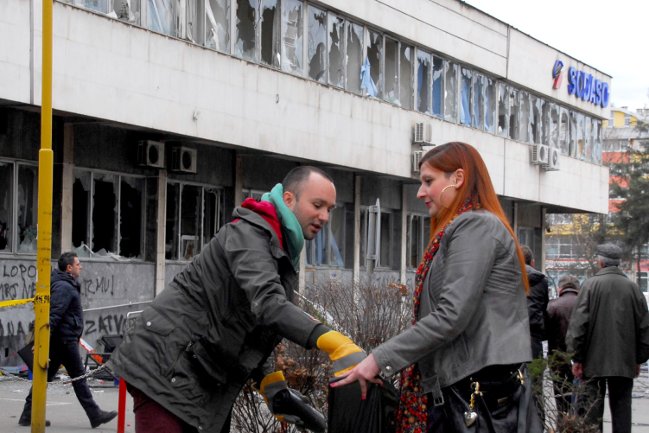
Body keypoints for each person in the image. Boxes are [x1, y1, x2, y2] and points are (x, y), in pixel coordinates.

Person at [108, 166, 365, 433]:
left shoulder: (279, 246)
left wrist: (270, 383)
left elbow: (251, 326)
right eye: (317, 205)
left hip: (194, 371)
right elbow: (268, 304)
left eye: (330, 209)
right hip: (164, 366)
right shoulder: (251, 234)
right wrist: (335, 342)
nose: (324, 216)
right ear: (289, 200)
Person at [333, 142, 540, 433]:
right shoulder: (466, 227)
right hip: (473, 389)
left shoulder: (474, 227)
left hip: (476, 394)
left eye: (429, 181)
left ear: (457, 178)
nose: (420, 192)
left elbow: (450, 316)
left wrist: (379, 359)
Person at [18, 252, 118, 428]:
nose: (81, 266)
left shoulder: (64, 283)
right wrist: (41, 340)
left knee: (45, 378)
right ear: (69, 268)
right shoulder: (64, 286)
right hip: (64, 340)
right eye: (78, 264)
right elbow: (54, 315)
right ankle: (95, 415)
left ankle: (27, 415)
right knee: (79, 378)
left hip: (60, 341)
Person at [566, 243, 649, 433]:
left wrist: (576, 357)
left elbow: (578, 325)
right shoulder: (633, 289)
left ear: (601, 262)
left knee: (591, 414)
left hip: (592, 363)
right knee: (622, 411)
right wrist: (639, 358)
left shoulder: (589, 286)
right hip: (624, 362)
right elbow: (645, 327)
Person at [546, 274, 579, 419]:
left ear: (560, 288)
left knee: (561, 398)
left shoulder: (553, 306)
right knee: (583, 401)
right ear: (578, 288)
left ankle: (563, 424)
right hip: (582, 360)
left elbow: (544, 332)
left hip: (557, 359)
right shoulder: (586, 304)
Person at [521, 245, 549, 359]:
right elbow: (544, 306)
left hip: (511, 331)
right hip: (534, 332)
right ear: (532, 262)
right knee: (534, 371)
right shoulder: (542, 280)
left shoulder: (508, 277)